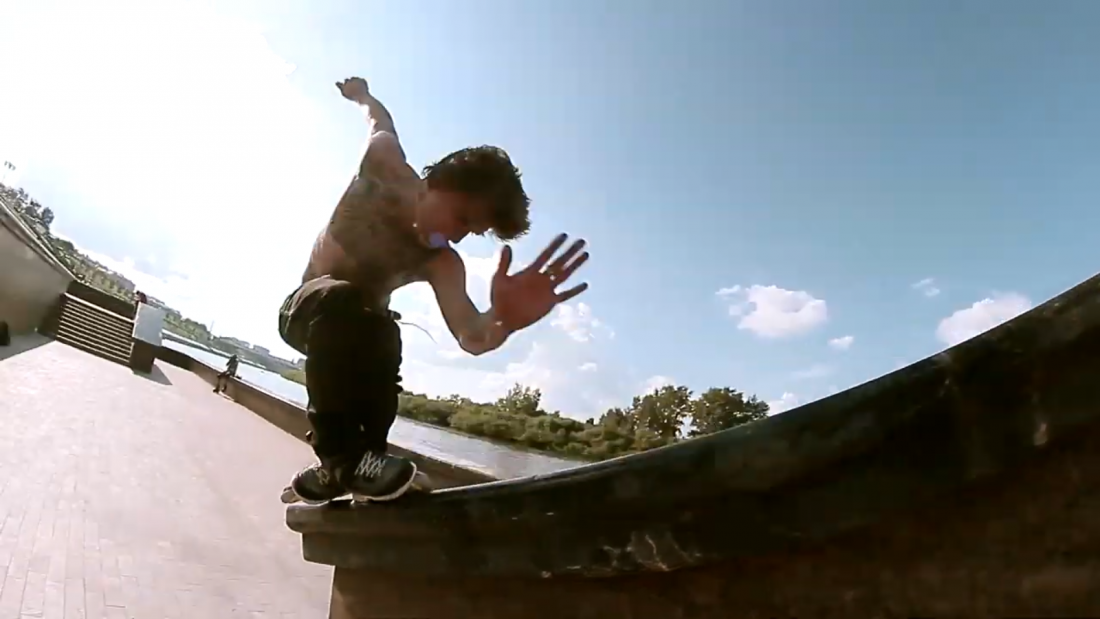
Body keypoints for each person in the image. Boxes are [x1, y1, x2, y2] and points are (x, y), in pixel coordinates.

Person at [278, 77, 590, 504]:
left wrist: (504, 322)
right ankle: (340, 458)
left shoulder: (441, 262)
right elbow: (379, 121)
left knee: (387, 332)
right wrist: (362, 96)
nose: (458, 237)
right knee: (345, 298)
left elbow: (471, 336)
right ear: (434, 183)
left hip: (357, 339)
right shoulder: (383, 163)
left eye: (472, 231)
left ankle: (361, 463)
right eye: (461, 217)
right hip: (304, 314)